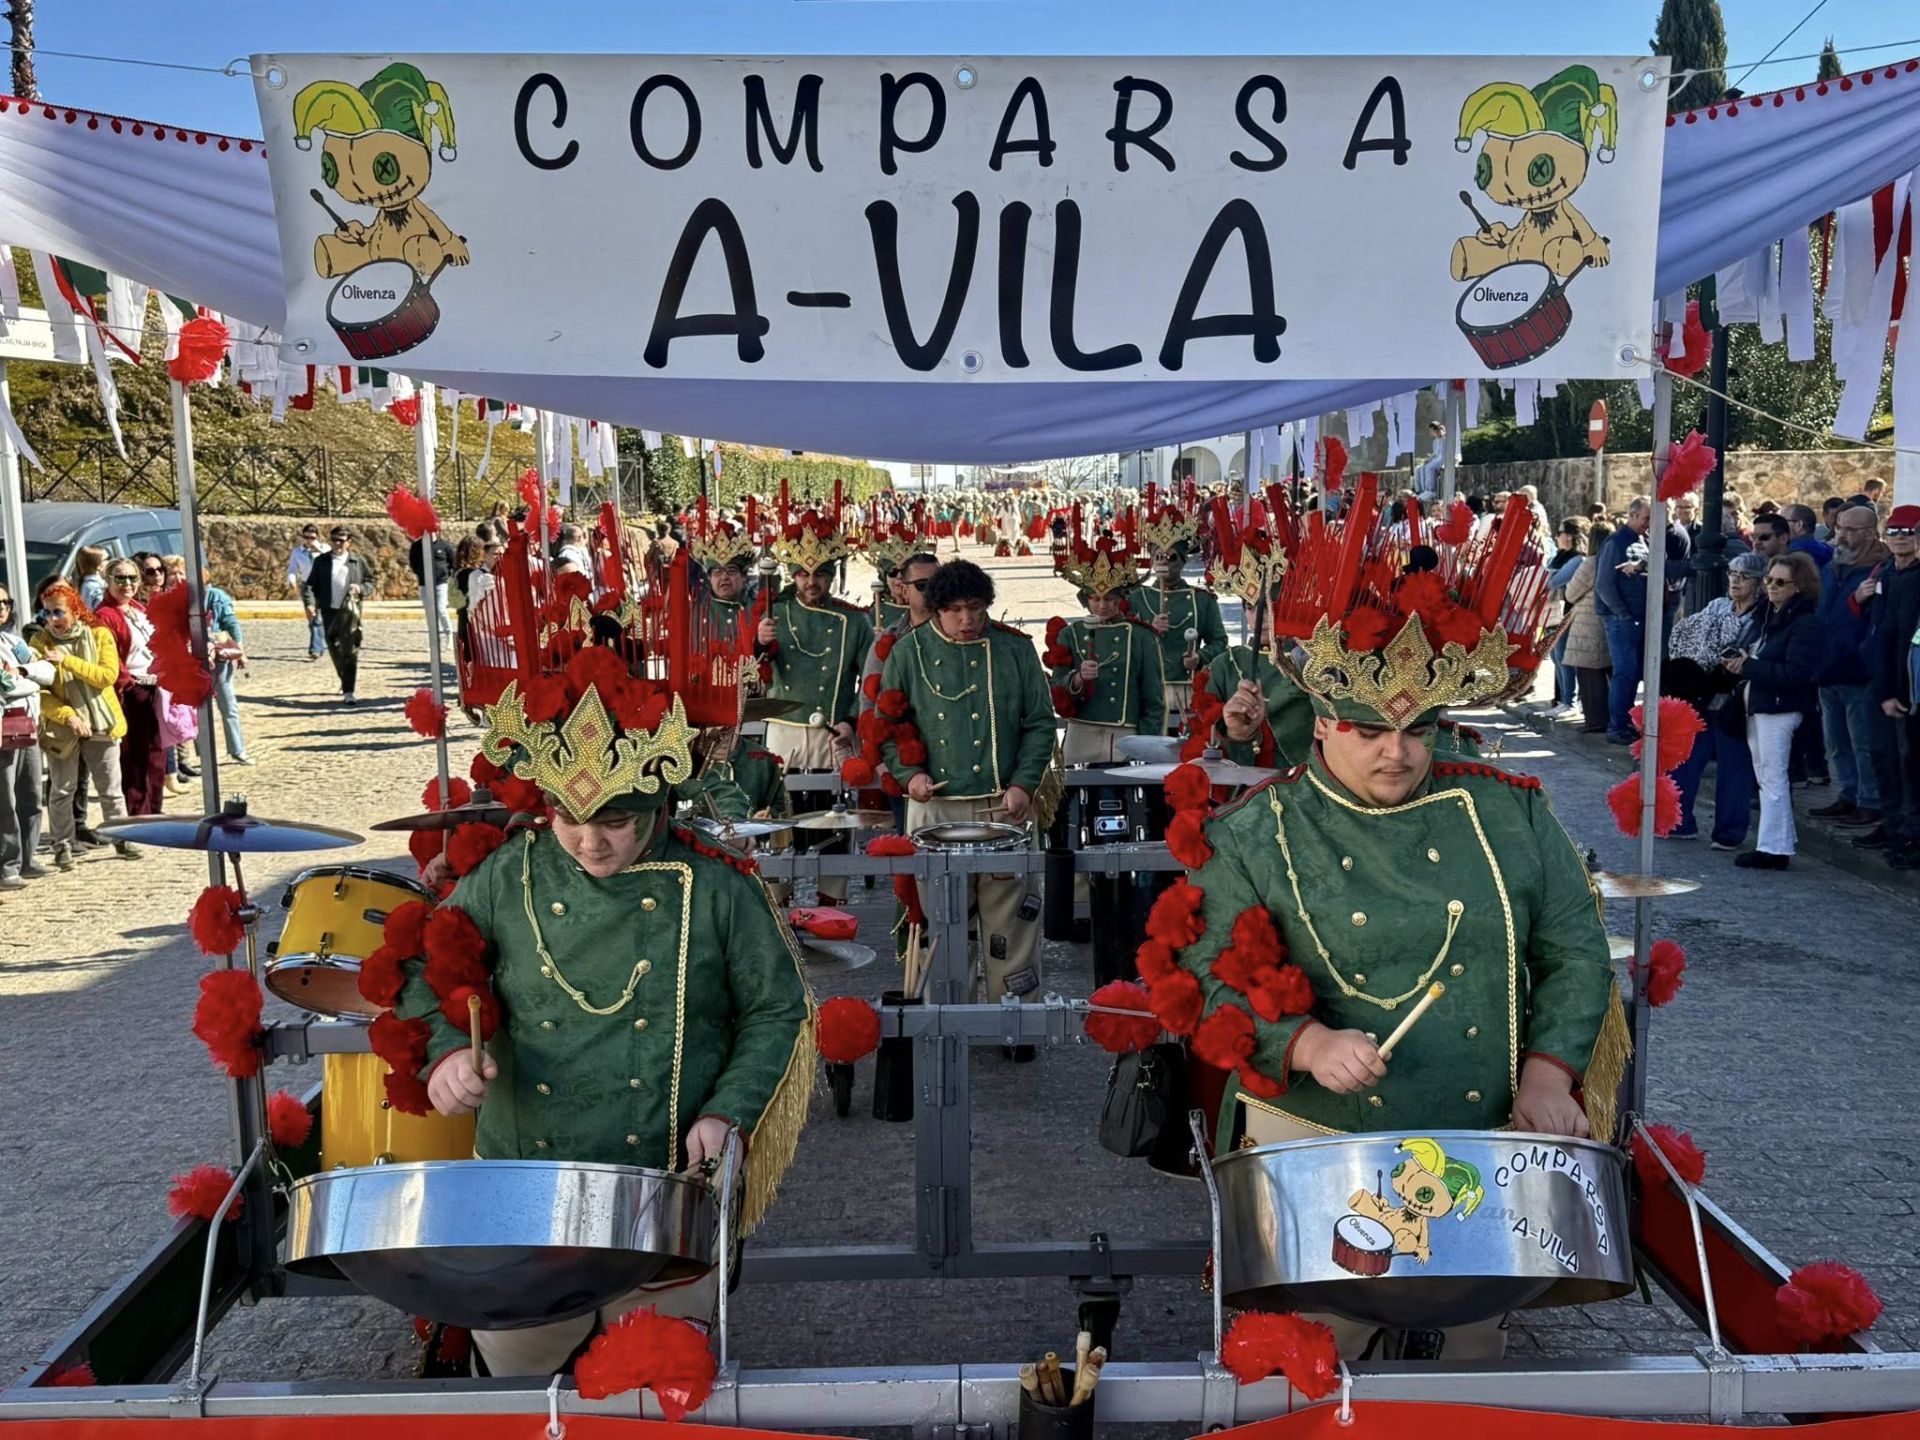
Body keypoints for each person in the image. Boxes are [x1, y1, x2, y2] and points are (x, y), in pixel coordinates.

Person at [1165, 491, 1620, 1362]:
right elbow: (1199, 975)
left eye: (1419, 730)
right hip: (1315, 1142)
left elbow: (1574, 948)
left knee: (1465, 1356)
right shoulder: (1255, 830)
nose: (1398, 753)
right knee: (1314, 1362)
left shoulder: (1510, 811)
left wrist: (1551, 1073)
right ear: (1322, 721)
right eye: (1370, 730)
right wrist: (1303, 1043)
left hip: (1479, 1134)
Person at [391, 587, 813, 1378]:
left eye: (615, 822)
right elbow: (425, 961)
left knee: (655, 1390)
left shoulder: (718, 885)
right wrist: (447, 1050)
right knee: (521, 1397)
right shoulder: (507, 873)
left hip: (665, 1184)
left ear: (658, 801)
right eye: (569, 819)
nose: (589, 842)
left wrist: (729, 1111)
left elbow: (776, 1010)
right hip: (527, 1190)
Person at [878, 560, 1055, 1012]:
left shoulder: (1016, 650)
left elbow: (1039, 723)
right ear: (937, 608)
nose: (967, 619)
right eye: (955, 610)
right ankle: (945, 1018)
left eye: (975, 608)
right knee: (942, 923)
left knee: (1012, 923)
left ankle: (1016, 1019)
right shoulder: (908, 652)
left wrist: (1024, 783)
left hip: (1004, 806)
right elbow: (888, 725)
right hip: (936, 809)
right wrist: (909, 775)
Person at [754, 513, 873, 906]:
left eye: (820, 573)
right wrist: (758, 642)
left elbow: (870, 683)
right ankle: (778, 901)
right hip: (783, 730)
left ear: (832, 574)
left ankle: (830, 903)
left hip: (832, 733)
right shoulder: (773, 612)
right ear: (792, 574)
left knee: (834, 818)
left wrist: (852, 721)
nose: (811, 582)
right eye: (803, 574)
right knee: (779, 818)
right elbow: (750, 671)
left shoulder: (854, 621)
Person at [1727, 553, 1821, 870]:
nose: (1772, 587)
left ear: (1799, 586)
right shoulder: (1774, 616)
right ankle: (1776, 843)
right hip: (1764, 704)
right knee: (1767, 776)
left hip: (1780, 708)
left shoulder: (1804, 623)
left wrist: (1750, 666)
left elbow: (1796, 673)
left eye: (1781, 582)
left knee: (1773, 777)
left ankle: (1773, 848)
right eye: (1769, 580)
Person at [30, 582, 133, 867]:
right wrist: (69, 716)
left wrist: (68, 661)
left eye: (58, 612)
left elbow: (107, 676)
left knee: (110, 788)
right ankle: (62, 844)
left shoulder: (98, 634)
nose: (52, 619)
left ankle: (122, 838)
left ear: (75, 611)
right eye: (47, 613)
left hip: (100, 720)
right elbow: (40, 692)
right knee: (62, 789)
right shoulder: (40, 642)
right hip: (63, 727)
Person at [1665, 551, 1764, 848]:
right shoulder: (1717, 605)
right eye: (1733, 574)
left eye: (1745, 576)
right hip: (1699, 690)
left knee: (1734, 766)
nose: (1736, 580)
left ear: (1759, 582)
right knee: (1686, 757)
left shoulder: (1763, 615)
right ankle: (1678, 821)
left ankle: (1729, 833)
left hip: (1734, 697)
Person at [1810, 505, 1897, 836]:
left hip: (1859, 670)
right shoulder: (1833, 565)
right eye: (1839, 527)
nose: (1842, 534)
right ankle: (1847, 794)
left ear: (1870, 532)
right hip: (1828, 666)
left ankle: (1869, 801)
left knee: (1863, 741)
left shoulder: (1881, 568)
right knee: (1836, 741)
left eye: (1850, 529)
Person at [1047, 536, 1165, 766]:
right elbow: (1056, 684)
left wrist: (1147, 745)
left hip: (1125, 737)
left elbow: (1153, 698)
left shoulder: (1142, 636)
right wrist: (1078, 678)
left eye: (1109, 599)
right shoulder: (1070, 634)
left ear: (1121, 599)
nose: (1102, 606)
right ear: (1085, 599)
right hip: (1081, 735)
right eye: (1095, 598)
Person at [1133, 524, 1229, 732]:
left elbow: (1220, 641)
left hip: (1186, 691)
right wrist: (1149, 630)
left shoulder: (1202, 600)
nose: (1164, 562)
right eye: (1158, 556)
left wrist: (1200, 658)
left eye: (1172, 557)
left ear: (1184, 560)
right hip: (1145, 689)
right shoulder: (1137, 598)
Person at [1869, 505, 1920, 870]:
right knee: (1887, 758)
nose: (1901, 538)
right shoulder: (1887, 573)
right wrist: (1885, 690)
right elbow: (1883, 634)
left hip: (1910, 686)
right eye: (1895, 531)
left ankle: (1910, 834)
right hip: (1891, 681)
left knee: (1911, 764)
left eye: (1908, 532)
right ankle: (1896, 827)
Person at [94, 557, 165, 817]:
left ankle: (155, 809)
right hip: (132, 690)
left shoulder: (138, 608)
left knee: (156, 752)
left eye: (132, 578)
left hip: (155, 686)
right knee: (135, 755)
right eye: (120, 578)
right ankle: (139, 813)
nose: (127, 583)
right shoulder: (104, 615)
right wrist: (128, 685)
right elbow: (110, 656)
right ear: (108, 580)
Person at [0, 582, 54, 887]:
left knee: (31, 792)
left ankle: (28, 857)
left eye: (5, 602)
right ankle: (7, 863)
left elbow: (48, 672)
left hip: (26, 723)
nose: (1, 608)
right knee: (4, 798)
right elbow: (5, 685)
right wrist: (29, 678)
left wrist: (23, 672)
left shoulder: (13, 641)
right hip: (3, 726)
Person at [302, 526, 374, 704]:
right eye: (334, 540)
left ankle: (349, 691)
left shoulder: (357, 561)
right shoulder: (322, 561)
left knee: (350, 650)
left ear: (349, 542)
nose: (337, 544)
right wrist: (310, 603)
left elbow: (370, 581)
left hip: (350, 611)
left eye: (341, 541)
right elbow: (310, 585)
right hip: (329, 610)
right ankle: (345, 678)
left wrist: (360, 589)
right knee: (334, 647)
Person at [1560, 521, 1613, 733]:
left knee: (1589, 675)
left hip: (1587, 624)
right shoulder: (1614, 559)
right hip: (1607, 621)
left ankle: (1595, 720)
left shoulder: (1591, 563)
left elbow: (1570, 593)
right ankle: (1607, 719)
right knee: (1606, 674)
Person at [200, 567, 253, 767]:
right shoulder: (181, 598)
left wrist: (240, 651)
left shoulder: (217, 597)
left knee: (227, 705)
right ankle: (203, 754)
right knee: (197, 709)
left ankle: (237, 749)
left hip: (218, 659)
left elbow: (232, 624)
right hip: (193, 659)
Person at [1543, 519, 1587, 714]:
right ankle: (1563, 699)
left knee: (1563, 657)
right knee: (1556, 656)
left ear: (1570, 536)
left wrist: (1547, 574)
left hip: (1568, 613)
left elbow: (1553, 581)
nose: (1557, 537)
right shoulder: (1559, 557)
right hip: (1553, 613)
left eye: (1560, 532)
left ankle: (1569, 701)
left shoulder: (1577, 559)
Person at [286, 524, 330, 661]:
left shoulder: (325, 549)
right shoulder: (298, 552)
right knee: (311, 615)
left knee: (318, 618)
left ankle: (315, 649)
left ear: (318, 537)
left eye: (312, 537)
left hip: (323, 585)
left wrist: (319, 550)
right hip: (308, 586)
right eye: (306, 537)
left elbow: (332, 562)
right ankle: (318, 645)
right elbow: (292, 569)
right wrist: (292, 580)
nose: (309, 540)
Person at [408, 530, 456, 646]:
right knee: (429, 612)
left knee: (440, 608)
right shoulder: (416, 546)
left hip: (440, 583)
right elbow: (413, 563)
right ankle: (434, 640)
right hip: (424, 584)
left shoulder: (444, 545)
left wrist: (446, 575)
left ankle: (449, 636)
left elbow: (452, 562)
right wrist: (421, 574)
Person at [74, 546, 109, 611]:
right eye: (106, 559)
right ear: (98, 565)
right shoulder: (95, 587)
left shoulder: (85, 584)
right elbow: (104, 611)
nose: (109, 562)